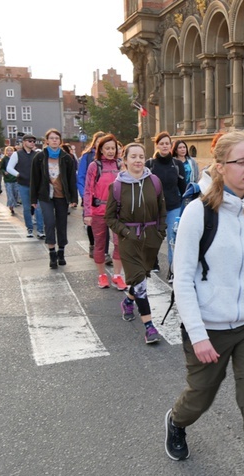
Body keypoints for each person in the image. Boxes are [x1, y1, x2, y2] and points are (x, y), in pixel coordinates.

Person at [165, 131, 244, 476]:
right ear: (220, 167)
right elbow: (181, 277)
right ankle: (176, 421)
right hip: (209, 329)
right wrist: (198, 334)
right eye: (242, 162)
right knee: (200, 397)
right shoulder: (199, 212)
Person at [106, 143, 166, 343]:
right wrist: (126, 233)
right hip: (129, 239)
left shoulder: (155, 182)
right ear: (125, 161)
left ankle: (128, 302)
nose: (138, 160)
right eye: (133, 157)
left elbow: (161, 209)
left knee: (141, 278)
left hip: (150, 238)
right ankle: (149, 327)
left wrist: (160, 232)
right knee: (139, 281)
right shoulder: (116, 186)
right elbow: (110, 218)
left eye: (141, 156)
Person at [30, 129, 78, 269]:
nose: (54, 140)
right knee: (49, 222)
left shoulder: (66, 158)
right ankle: (52, 253)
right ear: (47, 141)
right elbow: (34, 179)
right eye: (51, 138)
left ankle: (61, 252)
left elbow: (71, 180)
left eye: (57, 138)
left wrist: (74, 198)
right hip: (45, 196)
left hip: (62, 196)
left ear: (60, 141)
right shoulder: (39, 158)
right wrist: (33, 199)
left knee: (61, 223)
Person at [84, 134, 125, 290]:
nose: (110, 151)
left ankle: (117, 275)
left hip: (118, 212)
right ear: (100, 149)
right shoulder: (95, 166)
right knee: (100, 245)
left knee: (119, 243)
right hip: (98, 211)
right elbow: (88, 190)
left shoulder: (121, 165)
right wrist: (87, 213)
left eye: (112, 148)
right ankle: (102, 275)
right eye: (107, 148)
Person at [145, 132, 186, 282]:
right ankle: (153, 262)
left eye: (167, 143)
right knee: (153, 238)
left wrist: (187, 204)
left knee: (172, 240)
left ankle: (172, 270)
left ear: (170, 146)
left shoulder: (177, 164)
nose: (164, 146)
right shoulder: (150, 164)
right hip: (153, 208)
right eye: (161, 143)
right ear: (157, 145)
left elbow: (183, 187)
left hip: (173, 206)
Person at [6, 134, 45, 238]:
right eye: (29, 141)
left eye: (33, 141)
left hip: (36, 185)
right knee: (27, 208)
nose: (32, 143)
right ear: (24, 142)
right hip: (23, 184)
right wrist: (18, 175)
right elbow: (9, 168)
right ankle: (30, 229)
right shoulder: (16, 154)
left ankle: (40, 230)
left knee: (38, 208)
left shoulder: (37, 154)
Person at [78, 131, 106, 259]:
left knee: (105, 224)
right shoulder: (87, 156)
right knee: (92, 223)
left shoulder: (110, 158)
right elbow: (81, 176)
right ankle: (92, 245)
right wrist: (85, 195)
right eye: (98, 141)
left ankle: (104, 252)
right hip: (91, 196)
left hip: (105, 197)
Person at [0, 147, 18, 215]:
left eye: (11, 151)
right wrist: (4, 172)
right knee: (10, 194)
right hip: (8, 179)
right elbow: (1, 168)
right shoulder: (4, 159)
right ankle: (11, 207)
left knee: (15, 193)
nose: (9, 152)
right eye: (8, 151)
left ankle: (14, 203)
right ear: (6, 152)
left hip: (15, 178)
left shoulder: (16, 159)